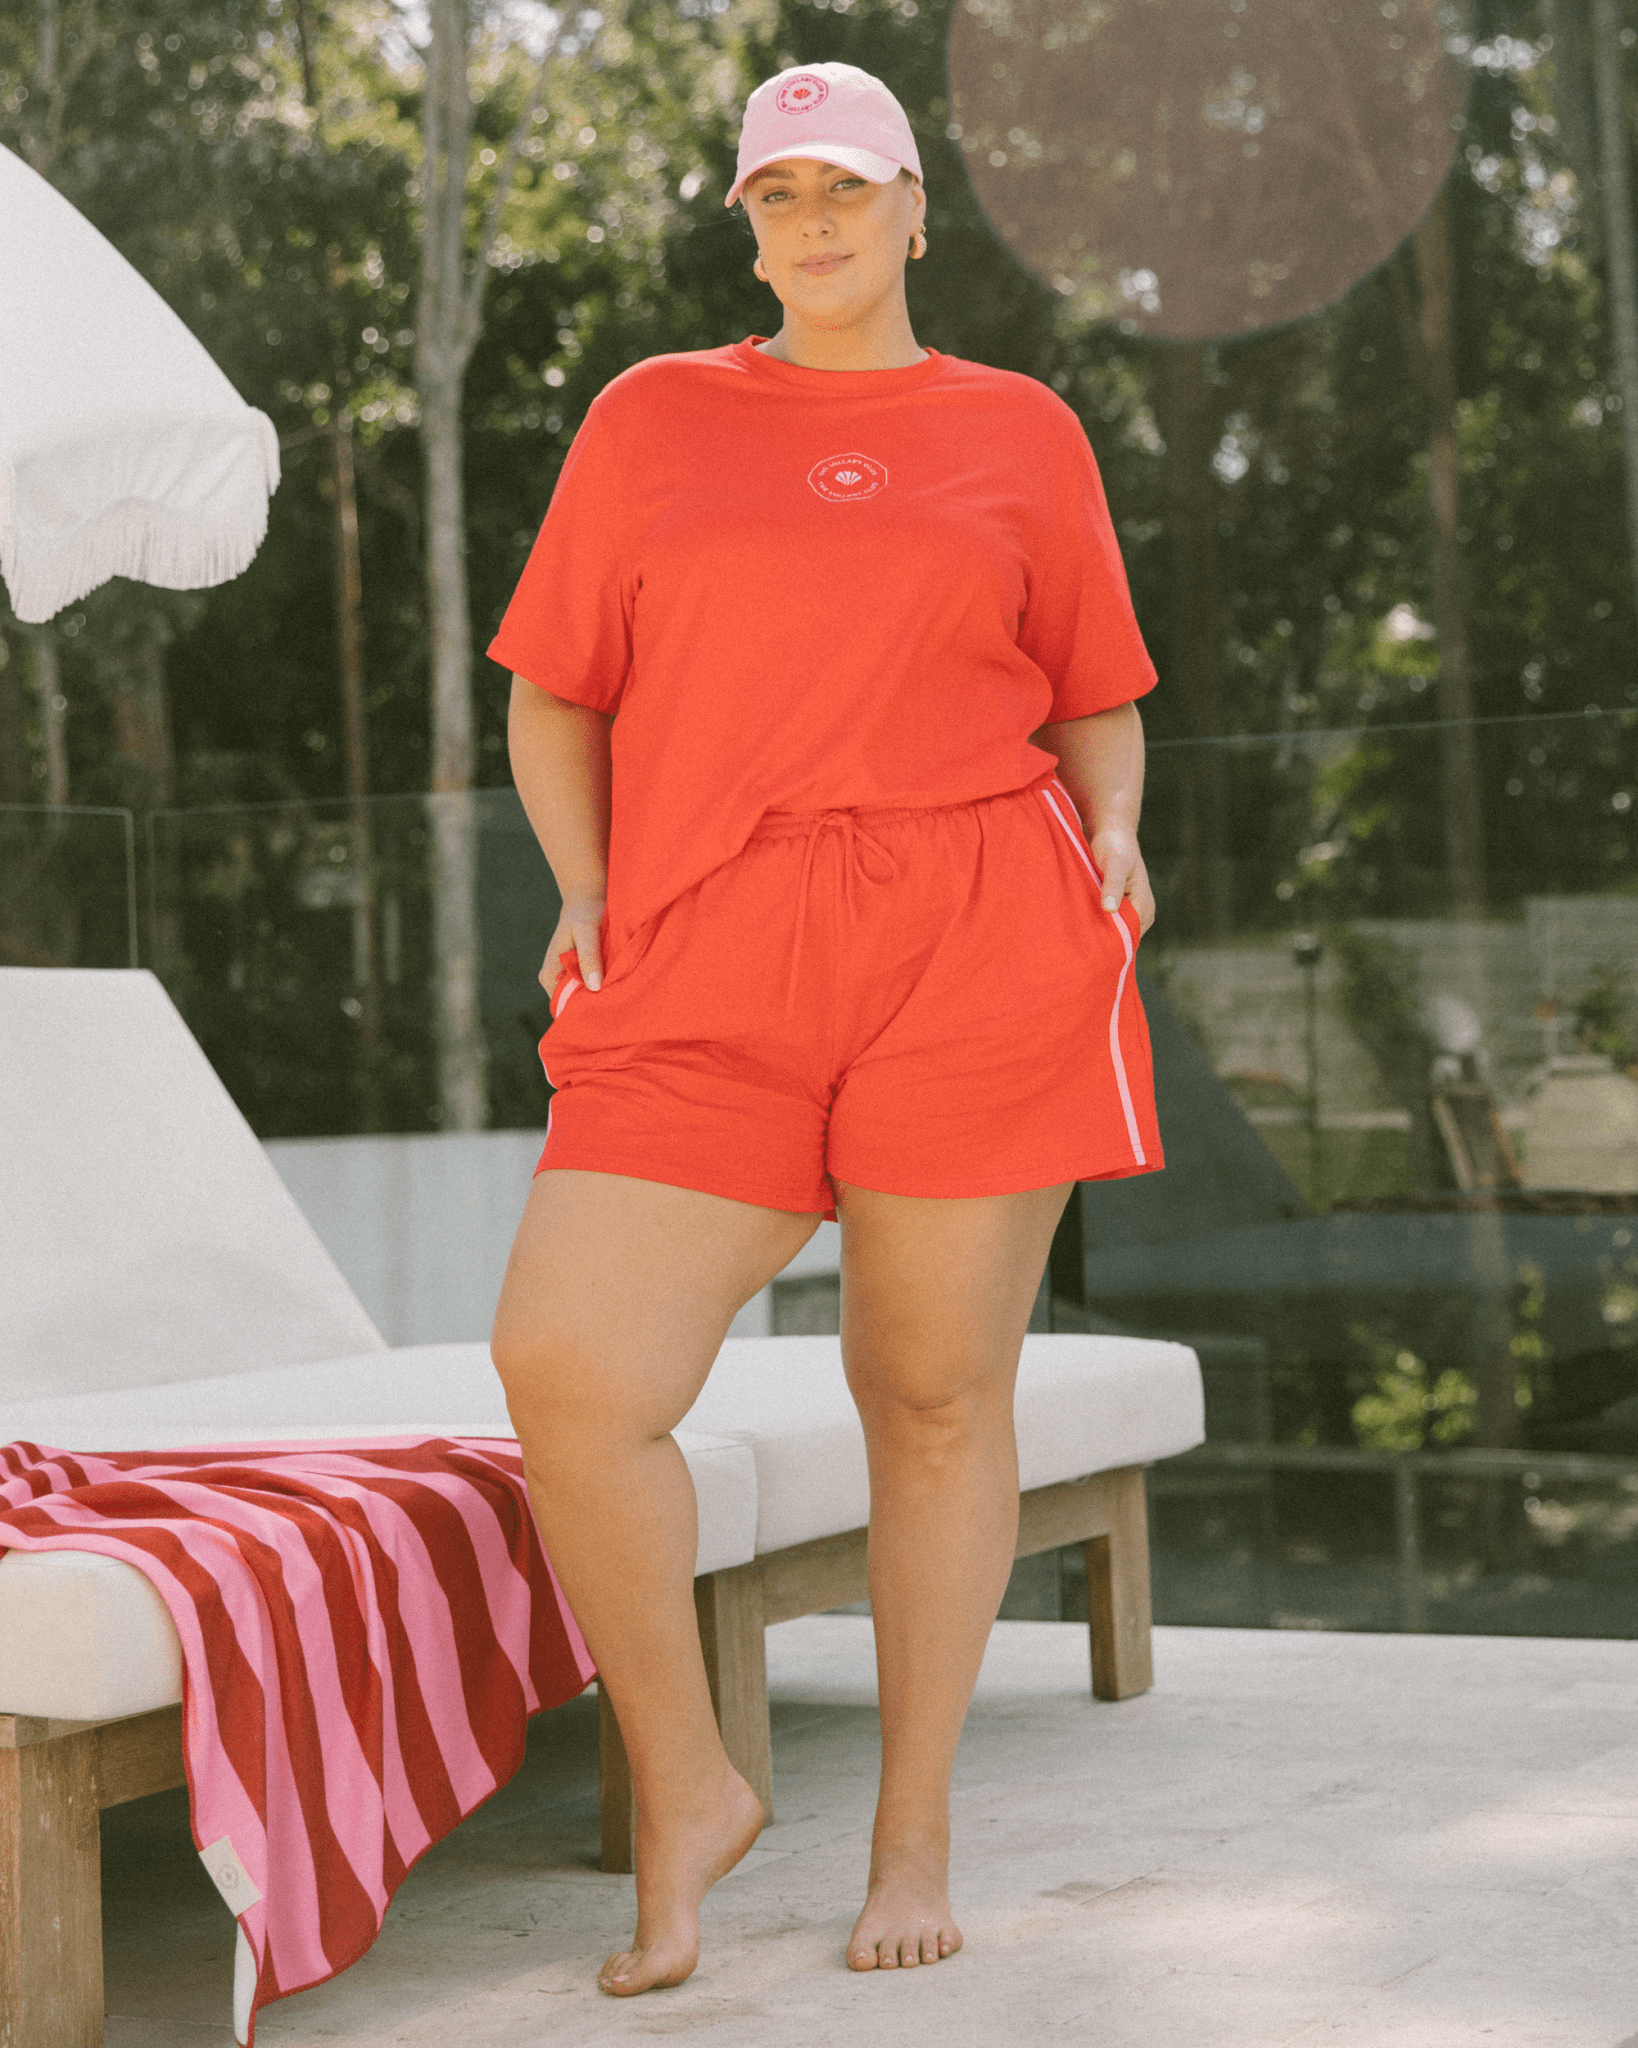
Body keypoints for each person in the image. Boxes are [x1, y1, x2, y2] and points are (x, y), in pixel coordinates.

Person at [487, 58, 1162, 1997]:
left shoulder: (1020, 428)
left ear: (916, 210)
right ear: (750, 227)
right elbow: (554, 688)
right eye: (778, 195)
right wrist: (588, 883)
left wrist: (1118, 829)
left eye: (847, 188)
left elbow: (1093, 686)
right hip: (707, 935)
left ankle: (911, 1831)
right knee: (569, 1365)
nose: (815, 222)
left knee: (929, 1394)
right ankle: (688, 1784)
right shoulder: (654, 415)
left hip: (979, 929)